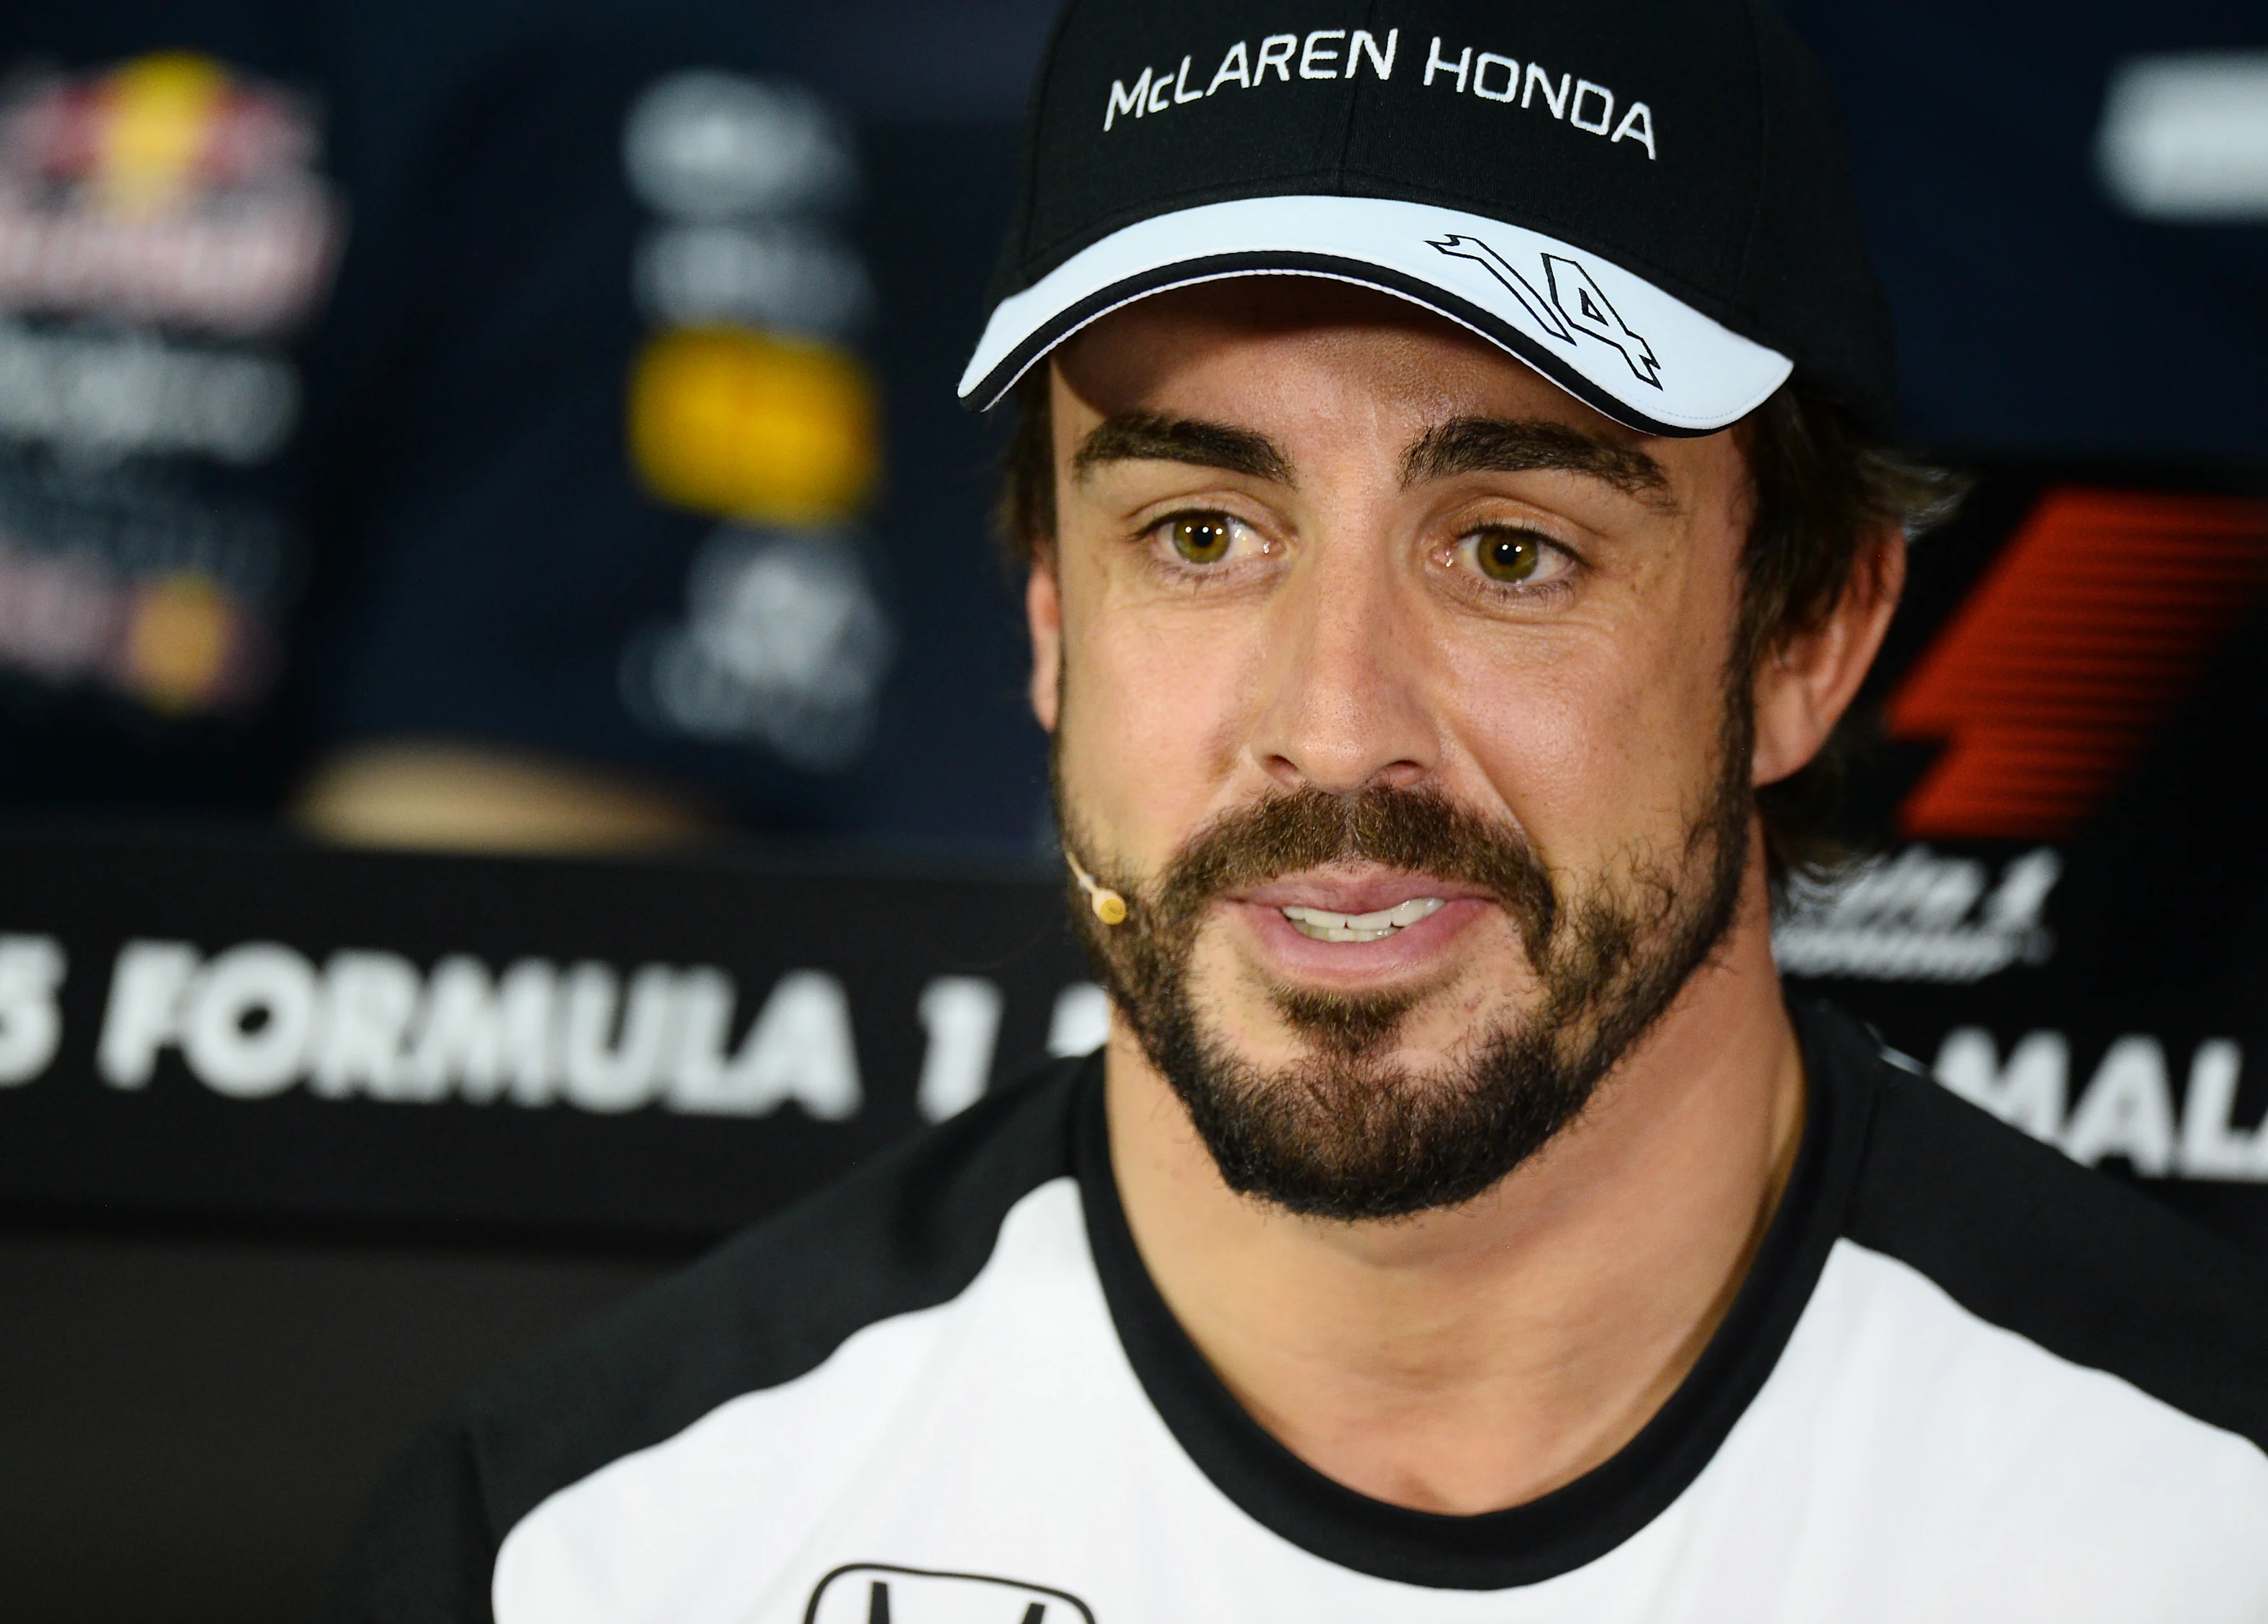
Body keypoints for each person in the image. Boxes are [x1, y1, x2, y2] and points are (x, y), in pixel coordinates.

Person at [327, 1, 2268, 1620]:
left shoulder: (2201, 1520)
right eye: (1200, 532)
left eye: (1511, 547)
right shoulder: (581, 1556)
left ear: (1811, 638)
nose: (1337, 730)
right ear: (1046, 618)